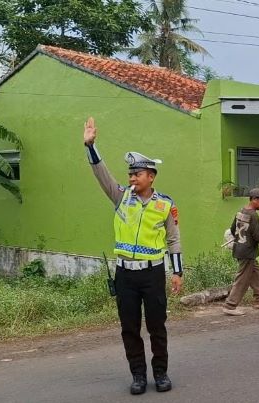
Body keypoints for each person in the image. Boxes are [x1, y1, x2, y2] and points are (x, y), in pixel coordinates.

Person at [83, 117, 183, 395]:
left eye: (136, 174)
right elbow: (101, 174)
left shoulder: (165, 204)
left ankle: (160, 373)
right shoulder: (120, 197)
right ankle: (138, 375)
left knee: (156, 327)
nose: (131, 178)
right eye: (129, 174)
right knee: (129, 328)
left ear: (150, 176)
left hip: (152, 274)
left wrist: (177, 272)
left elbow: (174, 239)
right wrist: (91, 146)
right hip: (125, 274)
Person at [223, 188, 259, 315]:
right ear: (254, 199)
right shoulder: (253, 215)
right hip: (248, 251)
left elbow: (233, 230)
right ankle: (230, 305)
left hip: (239, 248)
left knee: (256, 272)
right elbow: (258, 236)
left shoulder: (240, 212)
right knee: (242, 279)